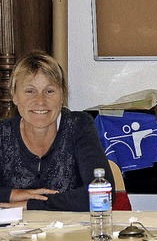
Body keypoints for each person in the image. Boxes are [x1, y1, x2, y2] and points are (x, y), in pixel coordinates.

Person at [0, 51, 114, 211]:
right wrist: (12, 194)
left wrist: (29, 204)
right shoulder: (3, 133)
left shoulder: (79, 125)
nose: (40, 101)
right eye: (30, 91)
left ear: (62, 95)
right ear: (14, 96)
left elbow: (102, 193)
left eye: (49, 91)